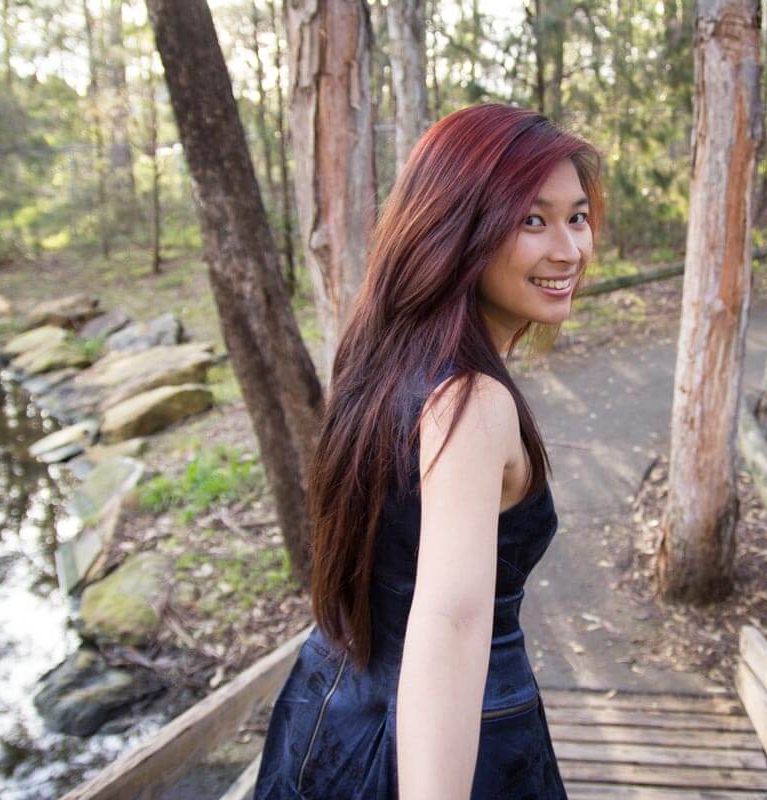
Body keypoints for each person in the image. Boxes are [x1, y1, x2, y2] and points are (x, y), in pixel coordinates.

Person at [252, 102, 604, 799]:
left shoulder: (381, 355)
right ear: (460, 227)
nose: (568, 249)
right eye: (532, 219)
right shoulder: (473, 401)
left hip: (329, 710)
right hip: (452, 743)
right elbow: (451, 622)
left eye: (578, 215)